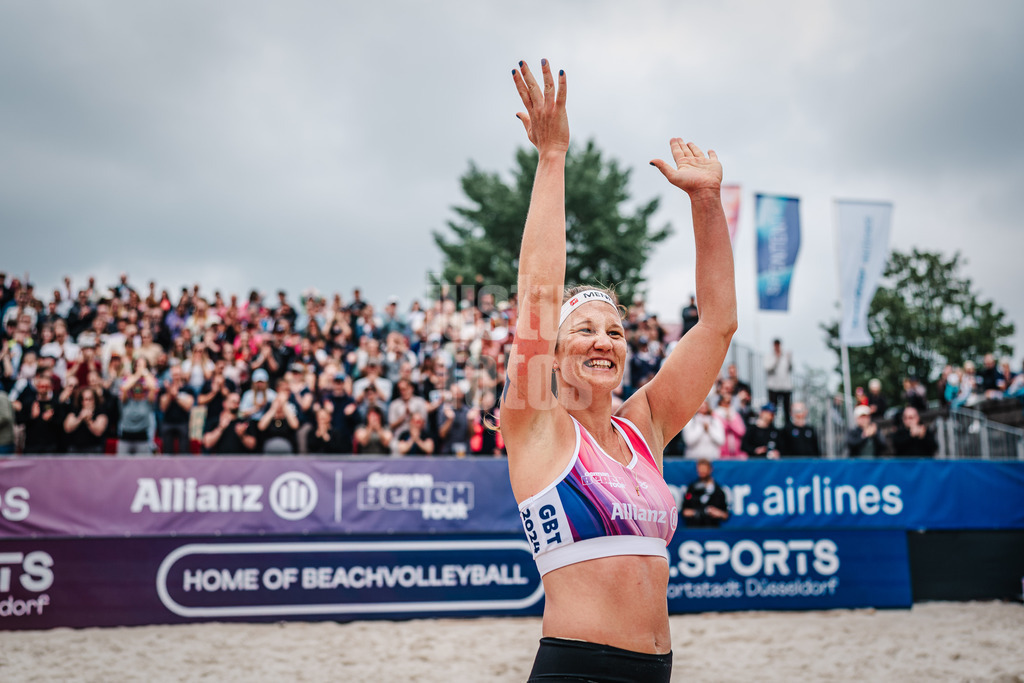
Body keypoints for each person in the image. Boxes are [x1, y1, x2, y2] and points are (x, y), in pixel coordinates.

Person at [502, 60, 735, 681]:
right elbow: (539, 300)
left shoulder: (644, 428)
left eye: (615, 331)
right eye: (585, 330)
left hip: (657, 669)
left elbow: (716, 325)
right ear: (552, 353)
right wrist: (553, 157)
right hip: (578, 669)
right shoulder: (535, 424)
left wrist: (706, 203)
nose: (604, 340)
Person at [681, 458, 730, 528]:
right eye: (700, 470)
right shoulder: (691, 489)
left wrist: (718, 513)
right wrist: (697, 512)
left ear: (710, 469)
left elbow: (726, 515)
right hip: (694, 529)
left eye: (704, 469)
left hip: (712, 530)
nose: (702, 472)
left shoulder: (718, 491)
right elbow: (684, 511)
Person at [764, 338, 793, 424]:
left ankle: (788, 427)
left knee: (787, 410)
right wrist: (777, 359)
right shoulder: (769, 356)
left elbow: (790, 369)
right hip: (773, 387)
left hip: (785, 387)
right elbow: (768, 368)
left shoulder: (785, 357)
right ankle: (771, 427)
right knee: (772, 410)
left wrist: (789, 359)